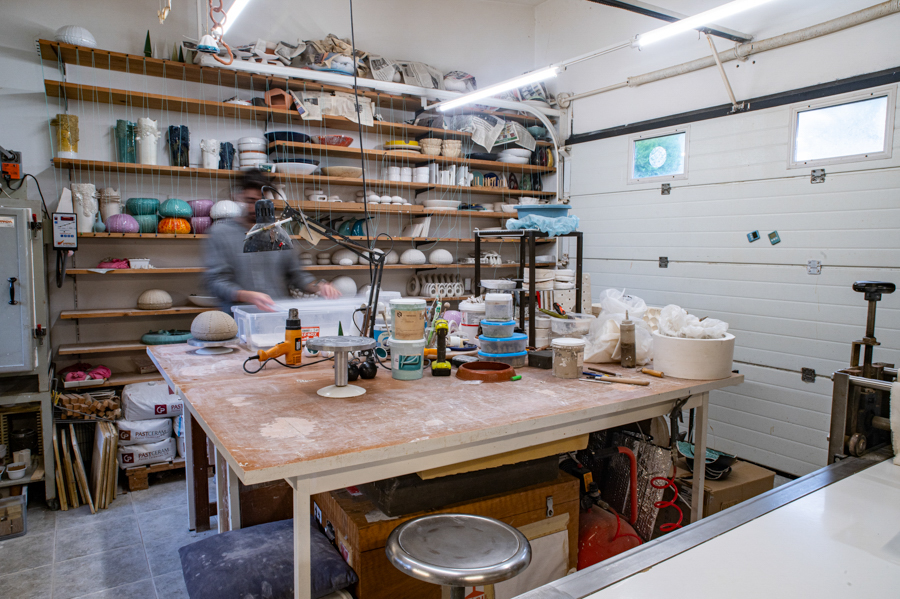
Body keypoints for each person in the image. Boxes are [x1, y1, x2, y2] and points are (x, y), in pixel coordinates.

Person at [203, 169, 340, 312]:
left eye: (261, 201)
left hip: (276, 313)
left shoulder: (278, 234)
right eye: (251, 201)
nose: (256, 207)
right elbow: (215, 282)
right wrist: (245, 295)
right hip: (238, 316)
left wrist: (320, 286)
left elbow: (297, 275)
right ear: (239, 197)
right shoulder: (221, 233)